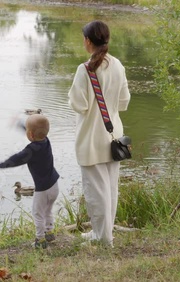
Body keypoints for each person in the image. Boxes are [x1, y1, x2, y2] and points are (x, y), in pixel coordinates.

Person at [67, 20, 131, 246]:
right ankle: (102, 233)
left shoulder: (85, 69)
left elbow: (79, 104)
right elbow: (124, 102)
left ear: (87, 41)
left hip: (91, 138)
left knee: (96, 192)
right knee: (110, 188)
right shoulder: (118, 65)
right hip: (114, 137)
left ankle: (103, 239)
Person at [0, 114, 60, 249]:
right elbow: (36, 130)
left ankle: (40, 240)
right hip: (54, 185)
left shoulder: (31, 150)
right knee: (48, 211)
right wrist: (20, 124)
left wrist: (0, 165)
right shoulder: (46, 140)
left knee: (37, 214)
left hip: (43, 190)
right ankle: (50, 233)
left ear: (29, 134)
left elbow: (16, 159)